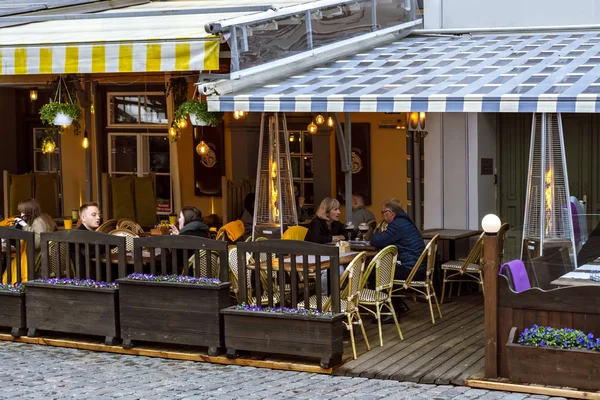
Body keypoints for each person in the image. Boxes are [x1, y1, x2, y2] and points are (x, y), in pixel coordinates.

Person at [370, 198, 425, 321]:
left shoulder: (397, 225)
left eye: (383, 212)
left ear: (390, 212)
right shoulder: (404, 221)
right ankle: (398, 305)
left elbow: (377, 240)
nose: (382, 216)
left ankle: (388, 312)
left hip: (411, 269)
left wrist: (374, 236)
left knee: (376, 273)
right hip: (417, 266)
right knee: (385, 270)